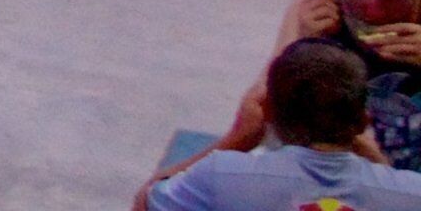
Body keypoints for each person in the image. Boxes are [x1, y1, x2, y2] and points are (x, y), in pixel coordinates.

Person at [198, 0, 421, 177]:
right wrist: (303, 50)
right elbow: (267, 111)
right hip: (340, 166)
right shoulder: (316, 3)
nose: (374, 10)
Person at [150, 42, 421, 211]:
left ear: (268, 112)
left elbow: (146, 202)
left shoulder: (220, 176)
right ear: (364, 120)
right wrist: (379, 163)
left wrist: (235, 139)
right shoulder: (411, 193)